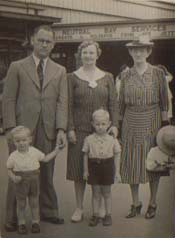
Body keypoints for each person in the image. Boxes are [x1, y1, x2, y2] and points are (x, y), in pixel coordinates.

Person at [2, 25, 68, 231]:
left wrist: (61, 129)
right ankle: (12, 218)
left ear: (53, 44)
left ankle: (49, 212)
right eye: (41, 40)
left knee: (46, 170)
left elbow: (62, 102)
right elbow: (9, 99)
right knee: (20, 172)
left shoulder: (60, 70)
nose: (44, 44)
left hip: (48, 127)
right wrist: (11, 129)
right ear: (32, 40)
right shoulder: (17, 66)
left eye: (48, 41)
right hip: (21, 131)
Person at [67, 40, 118, 222]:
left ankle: (102, 207)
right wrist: (70, 128)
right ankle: (79, 208)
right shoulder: (71, 77)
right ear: (80, 55)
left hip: (103, 131)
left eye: (91, 53)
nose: (88, 56)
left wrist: (114, 126)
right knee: (78, 170)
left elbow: (113, 103)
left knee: (102, 168)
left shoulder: (107, 77)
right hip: (80, 130)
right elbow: (68, 105)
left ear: (98, 54)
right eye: (85, 53)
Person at [119, 35, 169, 219]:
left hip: (152, 121)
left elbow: (164, 102)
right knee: (132, 162)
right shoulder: (125, 75)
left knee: (153, 162)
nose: (138, 53)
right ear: (130, 52)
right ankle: (135, 203)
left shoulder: (158, 73)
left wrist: (164, 128)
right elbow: (121, 104)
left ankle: (153, 202)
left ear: (148, 52)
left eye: (142, 49)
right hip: (130, 121)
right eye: (134, 50)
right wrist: (118, 126)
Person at [7, 126, 61, 234]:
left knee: (34, 202)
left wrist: (56, 150)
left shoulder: (34, 151)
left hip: (34, 181)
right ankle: (21, 223)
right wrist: (13, 177)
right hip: (20, 181)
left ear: (30, 140)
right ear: (14, 142)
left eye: (24, 140)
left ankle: (35, 222)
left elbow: (45, 158)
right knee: (21, 203)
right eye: (18, 141)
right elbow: (9, 168)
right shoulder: (13, 156)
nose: (21, 143)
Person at [82, 109, 121, 227]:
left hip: (107, 167)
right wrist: (85, 170)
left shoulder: (112, 140)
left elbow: (117, 154)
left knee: (107, 192)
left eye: (103, 124)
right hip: (94, 167)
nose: (100, 127)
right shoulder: (88, 139)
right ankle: (96, 214)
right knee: (95, 192)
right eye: (97, 124)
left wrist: (117, 172)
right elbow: (85, 155)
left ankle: (108, 214)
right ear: (92, 124)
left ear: (109, 124)